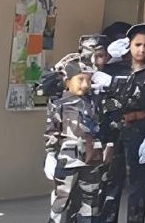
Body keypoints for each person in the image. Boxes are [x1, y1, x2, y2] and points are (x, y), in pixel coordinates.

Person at [101, 21, 145, 223]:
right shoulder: (115, 69)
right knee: (111, 182)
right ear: (129, 45)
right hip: (115, 131)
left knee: (137, 185)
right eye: (137, 44)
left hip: (140, 131)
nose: (141, 49)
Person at [44, 53, 106, 223]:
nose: (85, 84)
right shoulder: (59, 103)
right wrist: (50, 154)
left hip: (92, 157)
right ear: (67, 81)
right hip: (68, 158)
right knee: (62, 199)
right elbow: (52, 131)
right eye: (80, 79)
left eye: (88, 80)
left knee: (91, 199)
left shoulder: (95, 101)